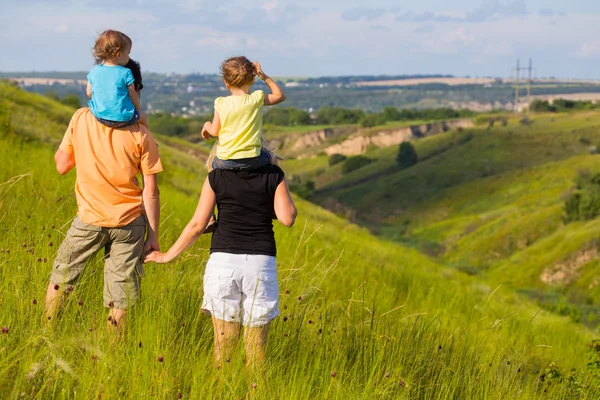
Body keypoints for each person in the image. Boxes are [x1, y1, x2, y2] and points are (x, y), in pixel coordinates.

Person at [145, 156, 297, 367]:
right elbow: (287, 218)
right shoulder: (273, 174)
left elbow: (198, 225)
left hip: (224, 264)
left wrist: (167, 255)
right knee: (256, 351)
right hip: (260, 265)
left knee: (224, 347)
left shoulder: (215, 177)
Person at [44, 61, 162, 333]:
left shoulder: (80, 119)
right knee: (120, 294)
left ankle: (46, 334)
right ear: (134, 89)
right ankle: (112, 356)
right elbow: (151, 192)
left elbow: (61, 165)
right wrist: (153, 238)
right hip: (130, 223)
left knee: (62, 278)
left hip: (88, 218)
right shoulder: (143, 135)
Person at [202, 56, 286, 171]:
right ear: (252, 80)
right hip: (253, 160)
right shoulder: (256, 99)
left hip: (225, 161)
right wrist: (264, 77)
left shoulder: (221, 103)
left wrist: (206, 125)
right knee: (272, 158)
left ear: (226, 83)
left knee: (211, 169)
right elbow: (279, 96)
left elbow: (215, 132)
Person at [86, 29, 148, 128]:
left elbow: (89, 93)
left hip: (99, 115)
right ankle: (152, 140)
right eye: (128, 53)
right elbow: (132, 95)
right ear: (119, 54)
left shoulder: (94, 71)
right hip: (123, 118)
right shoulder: (126, 72)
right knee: (143, 116)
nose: (128, 57)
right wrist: (137, 108)